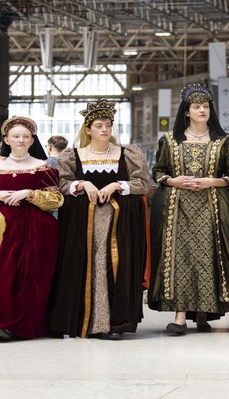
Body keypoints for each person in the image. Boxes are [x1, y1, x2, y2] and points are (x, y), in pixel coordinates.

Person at [49, 99, 154, 340]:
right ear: (88, 130)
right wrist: (83, 184)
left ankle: (111, 323)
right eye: (98, 125)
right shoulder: (72, 155)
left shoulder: (127, 153)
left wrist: (117, 185)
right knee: (88, 266)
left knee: (112, 265)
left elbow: (143, 184)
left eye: (108, 125)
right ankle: (86, 322)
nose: (105, 130)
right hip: (83, 224)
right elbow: (62, 184)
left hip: (118, 223)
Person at [0, 116, 63, 341]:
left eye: (25, 137)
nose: (20, 140)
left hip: (34, 229)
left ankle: (24, 324)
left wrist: (29, 194)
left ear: (31, 140)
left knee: (28, 275)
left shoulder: (43, 168)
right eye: (16, 136)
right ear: (6, 139)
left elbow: (56, 200)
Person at [148, 84, 229, 335]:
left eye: (205, 106)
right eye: (196, 107)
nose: (202, 110)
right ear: (186, 112)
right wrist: (173, 180)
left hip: (212, 207)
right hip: (178, 208)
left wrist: (212, 181)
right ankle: (179, 316)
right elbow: (158, 172)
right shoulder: (169, 140)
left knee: (208, 257)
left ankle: (203, 313)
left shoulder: (223, 141)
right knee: (181, 258)